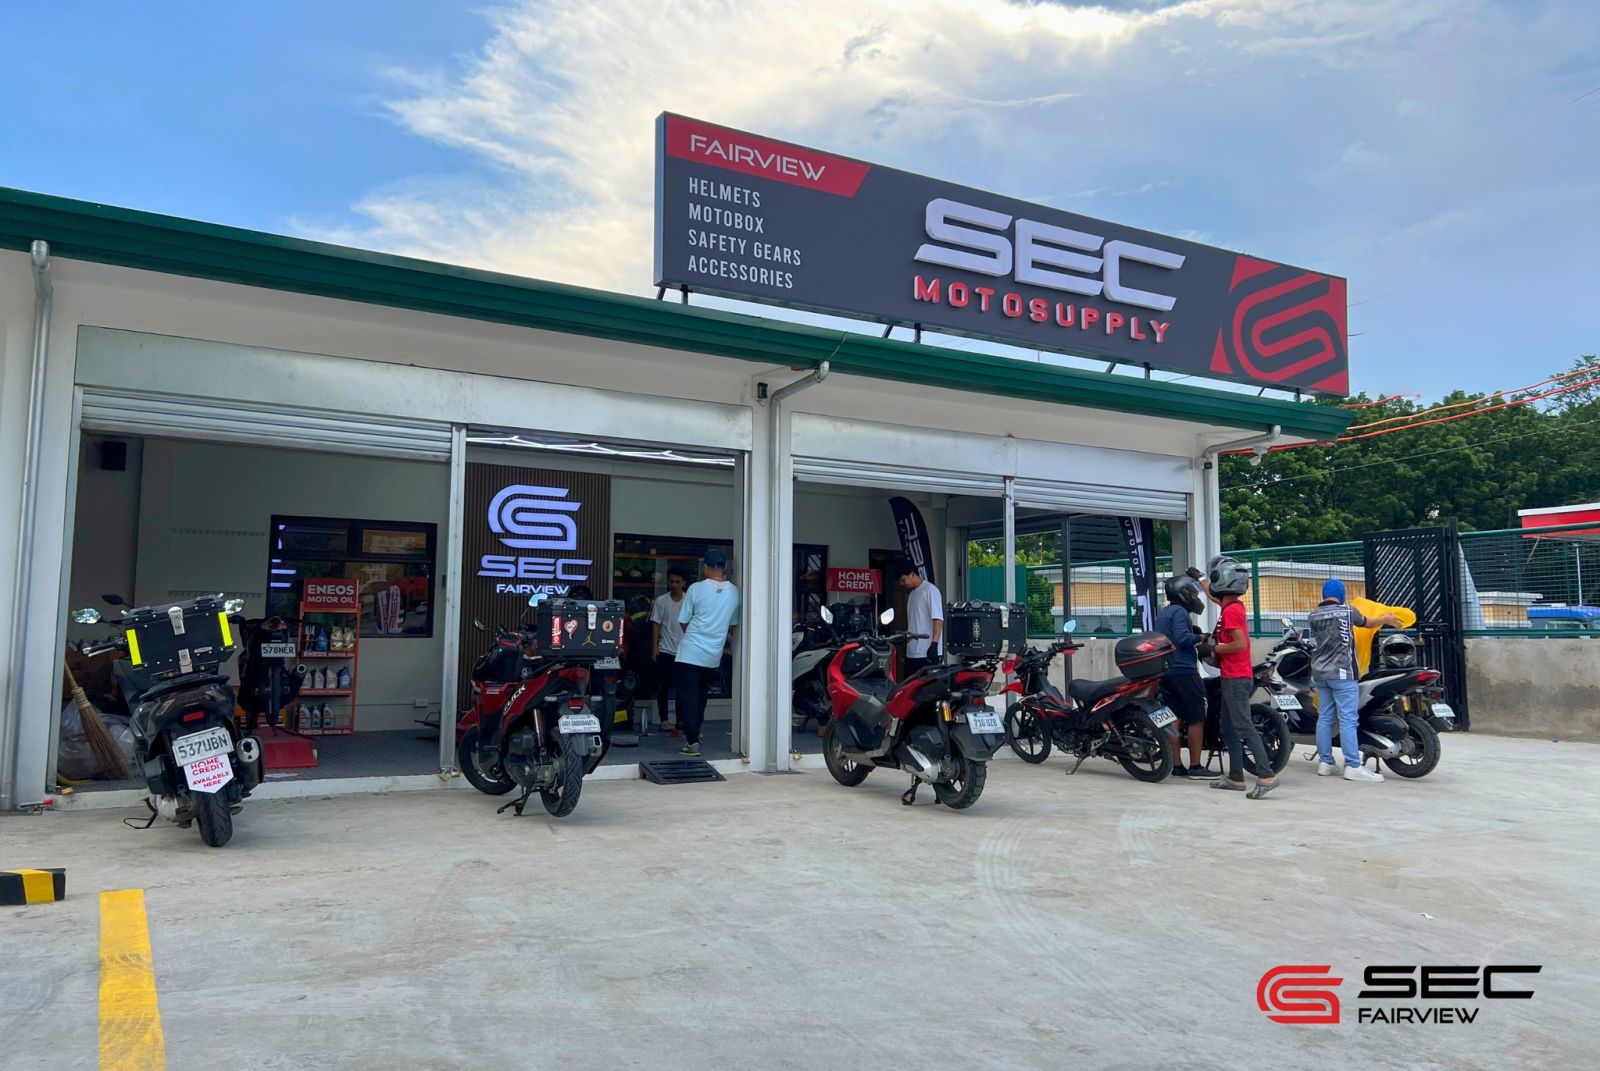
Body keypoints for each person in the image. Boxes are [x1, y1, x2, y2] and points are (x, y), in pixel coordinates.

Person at [1310, 578, 1404, 782]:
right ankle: (1353, 765)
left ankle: (1326, 763)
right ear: (1341, 594)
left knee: (1325, 718)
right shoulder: (1347, 611)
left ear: (1324, 594)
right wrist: (1385, 618)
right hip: (1342, 673)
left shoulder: (1314, 615)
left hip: (1320, 673)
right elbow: (1367, 623)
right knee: (1348, 719)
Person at [1205, 555, 1279, 799]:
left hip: (1236, 679)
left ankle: (1266, 775)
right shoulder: (1232, 607)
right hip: (1232, 677)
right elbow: (1213, 596)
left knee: (1244, 726)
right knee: (1228, 729)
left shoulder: (1231, 612)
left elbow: (1239, 644)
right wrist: (1200, 580)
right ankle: (1236, 777)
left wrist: (1213, 649)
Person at [674, 549, 740, 757]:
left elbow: (683, 620)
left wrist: (696, 638)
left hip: (690, 653)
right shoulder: (734, 592)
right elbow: (732, 624)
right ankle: (695, 732)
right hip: (713, 655)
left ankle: (692, 741)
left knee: (688, 697)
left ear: (707, 568)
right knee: (701, 697)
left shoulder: (696, 588)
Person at [1155, 574, 1208, 777]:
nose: (1195, 597)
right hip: (1184, 671)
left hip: (1166, 671)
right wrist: (1202, 637)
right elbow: (1182, 638)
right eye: (1192, 593)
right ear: (1183, 594)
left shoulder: (1164, 613)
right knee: (1196, 718)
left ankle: (1176, 766)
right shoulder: (1180, 612)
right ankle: (1196, 767)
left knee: (1173, 718)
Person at [649, 568, 689, 732]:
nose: (674, 585)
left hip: (684, 650)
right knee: (663, 685)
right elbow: (656, 624)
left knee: (682, 687)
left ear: (684, 583)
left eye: (677, 582)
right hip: (665, 649)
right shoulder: (661, 601)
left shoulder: (688, 600)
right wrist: (654, 646)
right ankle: (664, 720)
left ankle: (681, 720)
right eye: (671, 581)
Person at [895, 559, 944, 676]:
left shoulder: (930, 590)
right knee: (909, 685)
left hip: (926, 652)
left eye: (903, 579)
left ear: (912, 574)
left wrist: (934, 645)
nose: (902, 583)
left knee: (926, 686)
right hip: (912, 652)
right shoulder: (912, 594)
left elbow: (938, 620)